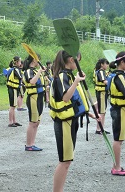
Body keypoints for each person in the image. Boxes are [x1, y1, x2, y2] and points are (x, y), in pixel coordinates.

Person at [49, 50, 100, 192]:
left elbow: (74, 100)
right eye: (78, 60)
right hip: (64, 123)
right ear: (71, 60)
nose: (78, 64)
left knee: (67, 161)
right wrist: (77, 81)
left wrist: (89, 113)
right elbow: (65, 97)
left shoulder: (69, 76)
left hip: (71, 120)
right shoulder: (61, 76)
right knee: (64, 161)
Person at [23, 54, 45, 151]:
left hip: (40, 98)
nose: (39, 62)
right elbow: (32, 81)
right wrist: (40, 71)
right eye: (38, 60)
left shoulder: (36, 71)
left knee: (37, 122)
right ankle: (28, 145)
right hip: (33, 98)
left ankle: (32, 143)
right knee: (33, 122)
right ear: (34, 60)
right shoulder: (28, 71)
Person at [108, 51, 125, 175]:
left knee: (119, 138)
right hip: (119, 110)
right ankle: (117, 167)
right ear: (122, 62)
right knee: (118, 139)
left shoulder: (119, 75)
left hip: (119, 110)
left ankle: (116, 165)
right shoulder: (119, 77)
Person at [94, 58, 110, 134]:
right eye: (106, 64)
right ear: (102, 64)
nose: (107, 65)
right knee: (102, 112)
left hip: (103, 93)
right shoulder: (100, 72)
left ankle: (101, 128)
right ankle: (99, 129)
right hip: (101, 93)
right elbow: (105, 82)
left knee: (103, 111)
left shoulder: (102, 71)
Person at [6, 56, 23, 127]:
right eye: (20, 61)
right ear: (16, 62)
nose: (21, 63)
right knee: (12, 106)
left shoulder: (13, 69)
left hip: (15, 89)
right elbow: (20, 77)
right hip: (12, 89)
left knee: (14, 105)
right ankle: (10, 122)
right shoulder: (15, 69)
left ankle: (14, 121)